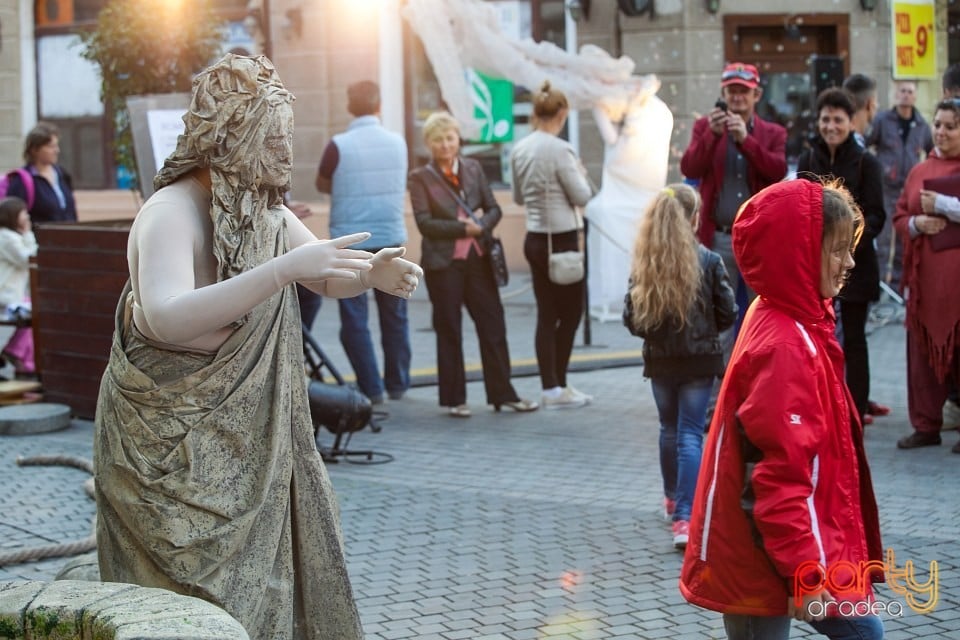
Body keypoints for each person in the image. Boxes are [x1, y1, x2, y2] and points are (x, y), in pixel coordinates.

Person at [93, 54, 422, 640]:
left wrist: (369, 274)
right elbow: (165, 318)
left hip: (251, 440)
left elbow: (322, 273)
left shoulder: (262, 212)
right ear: (231, 138)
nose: (284, 156)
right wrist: (282, 270)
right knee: (181, 593)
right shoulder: (169, 214)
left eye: (286, 139)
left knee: (264, 583)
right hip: (166, 442)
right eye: (272, 140)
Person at [680, 179, 884, 640]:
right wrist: (806, 574)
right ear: (798, 252)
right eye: (836, 249)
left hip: (781, 551)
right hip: (768, 559)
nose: (849, 262)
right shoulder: (787, 342)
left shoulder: (789, 315)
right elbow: (776, 477)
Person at [622, 183, 736, 549]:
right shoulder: (709, 260)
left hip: (661, 361)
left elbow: (633, 318)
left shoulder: (646, 262)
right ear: (695, 218)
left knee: (668, 429)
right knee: (690, 432)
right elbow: (728, 312)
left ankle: (672, 499)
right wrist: (706, 334)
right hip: (700, 360)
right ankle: (685, 519)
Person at [409, 111, 537, 417]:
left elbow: (494, 208)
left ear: (458, 139)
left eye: (450, 138)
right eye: (438, 140)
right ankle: (455, 399)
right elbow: (425, 223)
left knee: (493, 325)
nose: (445, 145)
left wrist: (482, 226)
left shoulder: (473, 168)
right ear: (429, 143)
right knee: (449, 329)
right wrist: (463, 228)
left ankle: (503, 394)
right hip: (444, 265)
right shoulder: (420, 178)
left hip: (478, 260)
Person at [315, 80, 411, 403]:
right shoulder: (399, 142)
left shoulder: (337, 145)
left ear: (348, 106)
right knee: (395, 315)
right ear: (379, 105)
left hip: (351, 239)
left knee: (354, 318)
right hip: (391, 237)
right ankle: (398, 382)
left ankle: (372, 388)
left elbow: (322, 183)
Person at [797, 88, 885, 425]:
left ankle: (855, 409)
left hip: (855, 267)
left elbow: (876, 216)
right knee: (817, 339)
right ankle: (822, 404)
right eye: (825, 119)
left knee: (854, 341)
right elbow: (800, 209)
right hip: (816, 269)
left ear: (851, 122)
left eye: (838, 119)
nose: (831, 126)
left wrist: (844, 246)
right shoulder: (807, 161)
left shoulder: (867, 162)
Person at [510, 81, 594, 410]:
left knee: (546, 313)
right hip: (562, 240)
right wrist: (582, 175)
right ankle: (559, 385)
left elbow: (517, 196)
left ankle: (551, 386)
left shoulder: (521, 148)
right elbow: (582, 196)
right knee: (571, 313)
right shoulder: (561, 150)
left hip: (534, 236)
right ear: (562, 113)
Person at [679, 62, 787, 311]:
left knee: (762, 311)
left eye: (743, 91)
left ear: (756, 95)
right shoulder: (705, 127)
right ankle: (724, 353)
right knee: (717, 313)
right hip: (719, 236)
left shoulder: (773, 132)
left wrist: (746, 142)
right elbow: (689, 168)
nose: (737, 97)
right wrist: (712, 136)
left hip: (759, 235)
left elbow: (777, 171)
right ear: (723, 95)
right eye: (731, 91)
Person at [892, 98, 960, 454]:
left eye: (951, 126)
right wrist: (918, 223)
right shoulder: (919, 170)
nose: (941, 132)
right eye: (937, 124)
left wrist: (946, 207)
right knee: (921, 359)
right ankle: (925, 425)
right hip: (924, 287)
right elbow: (900, 216)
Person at [867, 80, 934, 288]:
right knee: (884, 239)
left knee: (904, 239)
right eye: (902, 91)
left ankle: (897, 287)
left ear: (915, 96)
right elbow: (866, 143)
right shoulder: (882, 120)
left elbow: (932, 152)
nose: (906, 95)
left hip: (910, 190)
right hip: (886, 188)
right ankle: (879, 286)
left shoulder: (923, 125)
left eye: (910, 92)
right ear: (896, 94)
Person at [5, 122, 77, 224]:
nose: (56, 150)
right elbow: (13, 218)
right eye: (51, 146)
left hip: (68, 237)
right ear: (34, 149)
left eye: (56, 146)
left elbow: (71, 212)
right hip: (39, 238)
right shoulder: (22, 180)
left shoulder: (62, 174)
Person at [0, 197, 38, 376]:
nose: (27, 216)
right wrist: (29, 233)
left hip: (12, 294)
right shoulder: (7, 238)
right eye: (24, 212)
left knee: (36, 312)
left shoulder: (11, 236)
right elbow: (28, 258)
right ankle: (15, 353)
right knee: (35, 313)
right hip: (6, 295)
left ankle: (22, 359)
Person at [841, 73, 878, 148]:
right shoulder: (856, 149)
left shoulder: (837, 143)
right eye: (876, 101)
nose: (877, 106)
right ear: (869, 104)